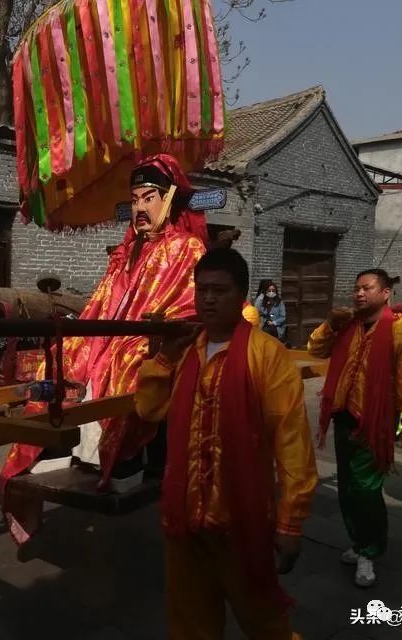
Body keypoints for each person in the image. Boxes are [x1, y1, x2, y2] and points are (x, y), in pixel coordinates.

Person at [0, 154, 209, 540]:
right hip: (112, 332)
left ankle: (120, 461)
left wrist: (147, 327)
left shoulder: (187, 249)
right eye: (135, 200)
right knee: (63, 356)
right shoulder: (126, 252)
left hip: (151, 339)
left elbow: (191, 302)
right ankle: (59, 447)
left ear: (169, 200)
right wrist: (83, 331)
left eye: (149, 198)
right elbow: (101, 302)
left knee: (126, 359)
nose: (140, 208)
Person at [135, 248, 317, 639]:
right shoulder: (185, 351)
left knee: (265, 622)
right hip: (184, 520)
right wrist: (163, 359)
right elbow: (148, 410)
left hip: (242, 522)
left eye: (220, 290)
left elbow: (292, 442)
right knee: (189, 625)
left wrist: (291, 521)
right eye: (202, 290)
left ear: (242, 295)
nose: (209, 299)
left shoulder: (267, 355)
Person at [308, 268, 402, 588]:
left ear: (386, 293)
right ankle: (359, 542)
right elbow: (315, 351)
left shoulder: (400, 331)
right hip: (343, 416)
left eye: (367, 288)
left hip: (375, 421)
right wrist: (330, 324)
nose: (359, 293)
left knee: (367, 490)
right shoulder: (347, 324)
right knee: (347, 488)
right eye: (356, 288)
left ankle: (369, 550)